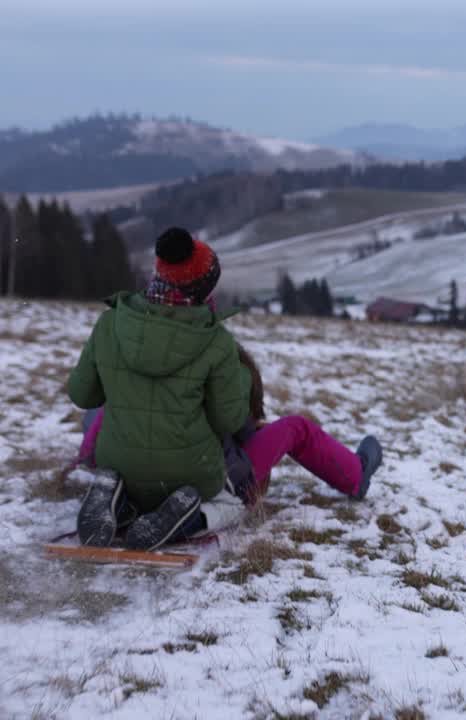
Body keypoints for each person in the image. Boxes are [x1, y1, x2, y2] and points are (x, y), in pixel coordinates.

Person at [69, 227, 382, 551]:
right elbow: (230, 421)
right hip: (192, 479)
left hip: (120, 466)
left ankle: (117, 498)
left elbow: (82, 396)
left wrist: (90, 452)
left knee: (112, 403)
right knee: (290, 436)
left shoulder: (109, 324)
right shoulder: (215, 343)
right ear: (204, 291)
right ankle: (355, 476)